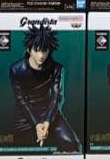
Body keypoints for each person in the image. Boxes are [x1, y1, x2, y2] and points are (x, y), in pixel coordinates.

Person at [8, 23, 80, 152]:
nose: (41, 55)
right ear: (29, 50)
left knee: (72, 145)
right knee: (22, 147)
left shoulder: (56, 68)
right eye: (36, 50)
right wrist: (37, 124)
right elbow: (21, 100)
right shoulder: (16, 69)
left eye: (44, 50)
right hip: (25, 114)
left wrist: (47, 121)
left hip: (49, 111)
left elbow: (56, 97)